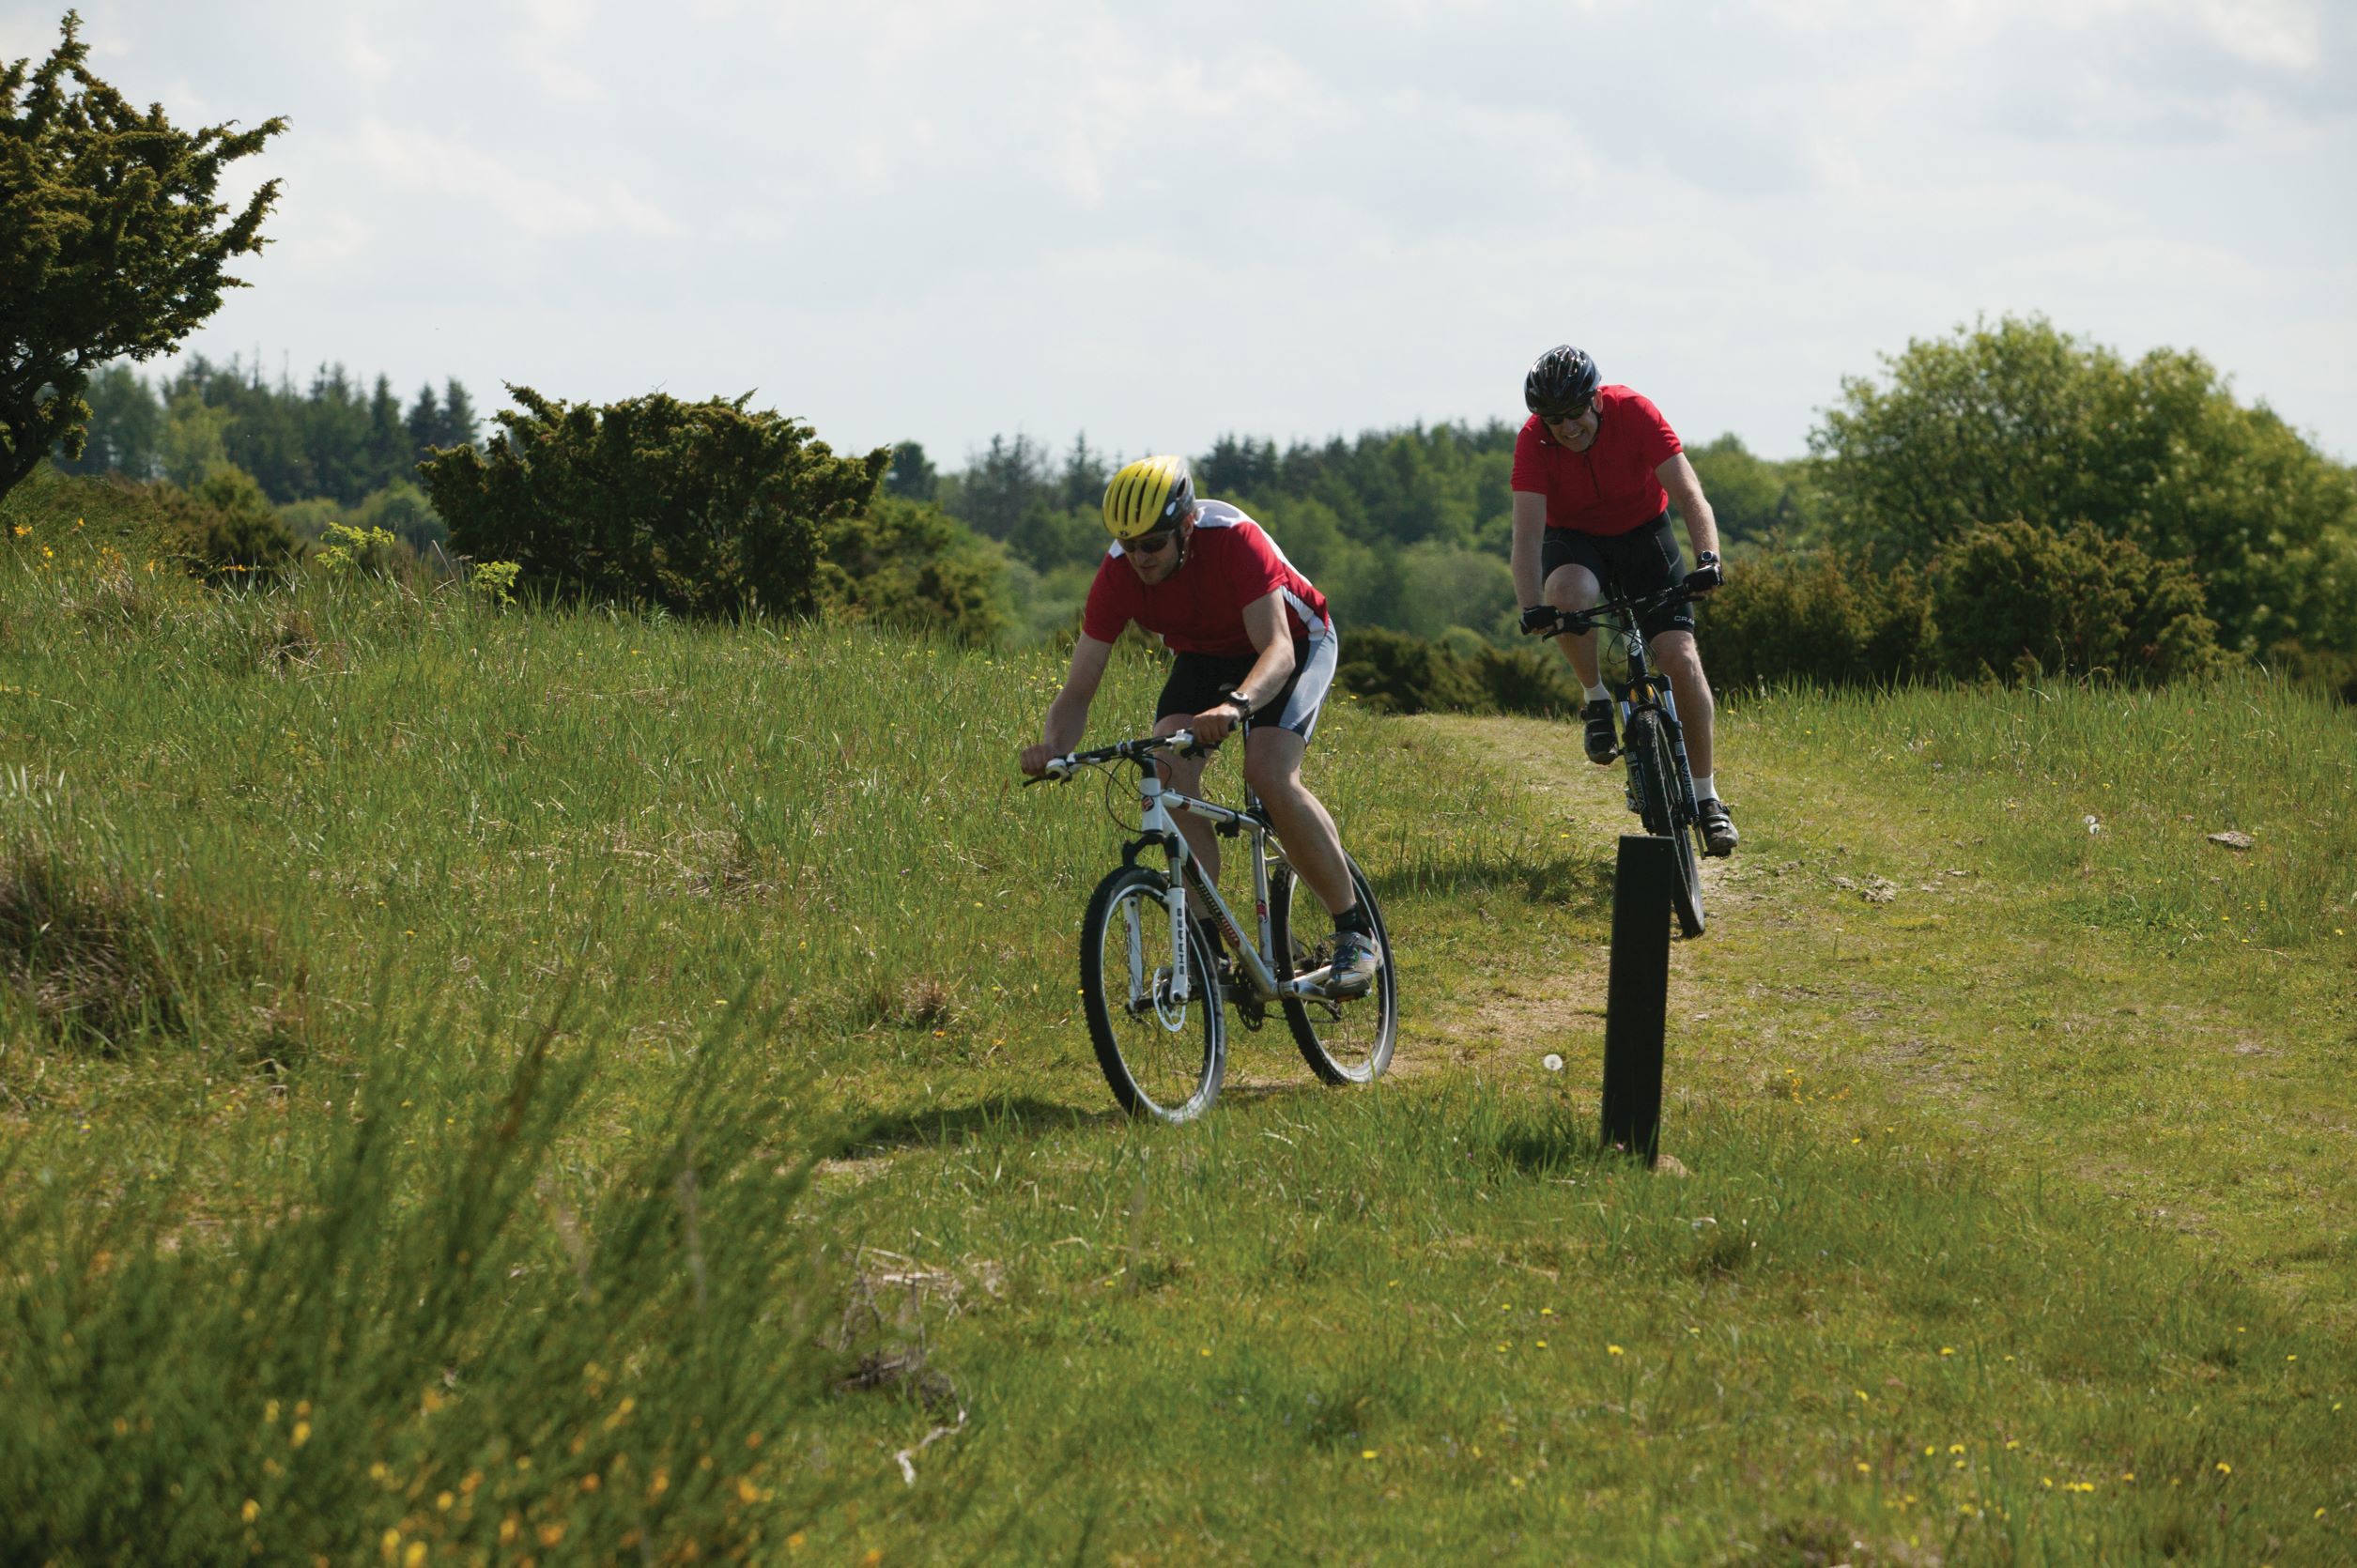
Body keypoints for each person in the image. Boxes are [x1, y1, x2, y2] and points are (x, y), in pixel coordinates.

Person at [1018, 455, 1381, 996]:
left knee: (1267, 772)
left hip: (1293, 642)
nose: (1139, 557)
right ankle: (1209, 948)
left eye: (1153, 544)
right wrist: (1054, 748)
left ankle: (1355, 930)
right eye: (1129, 544)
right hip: (1205, 656)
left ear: (1186, 526)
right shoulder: (1118, 572)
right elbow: (1079, 688)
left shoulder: (1235, 540)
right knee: (1166, 776)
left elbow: (1277, 652)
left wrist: (1236, 707)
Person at [1509, 344, 1739, 856]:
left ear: (1596, 400)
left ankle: (1707, 799)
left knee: (1679, 658)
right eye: (1552, 420)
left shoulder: (1634, 410)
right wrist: (1532, 606)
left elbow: (1689, 495)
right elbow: (1526, 537)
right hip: (1576, 540)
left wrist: (1709, 559)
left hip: (1643, 535)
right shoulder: (1533, 442)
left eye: (1573, 415)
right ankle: (1595, 697)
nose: (1565, 429)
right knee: (1567, 595)